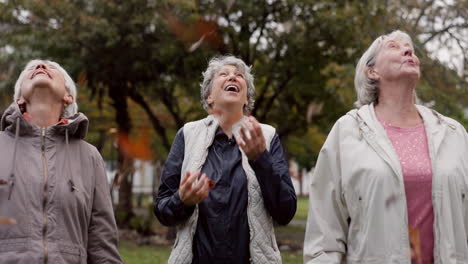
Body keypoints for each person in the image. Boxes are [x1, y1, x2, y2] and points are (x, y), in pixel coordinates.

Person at [304, 30, 468, 263]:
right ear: (372, 72)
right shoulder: (348, 131)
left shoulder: (454, 133)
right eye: (393, 46)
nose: (408, 50)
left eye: (410, 47)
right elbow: (324, 231)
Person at [154, 55, 297, 264]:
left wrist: (261, 160)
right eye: (224, 75)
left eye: (239, 76)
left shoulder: (266, 136)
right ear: (209, 96)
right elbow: (163, 211)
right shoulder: (187, 134)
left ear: (246, 98)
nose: (233, 78)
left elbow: (285, 212)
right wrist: (182, 201)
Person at [0, 59, 122, 263]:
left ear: (68, 96)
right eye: (31, 69)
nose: (40, 67)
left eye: (52, 68)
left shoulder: (90, 157)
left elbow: (102, 240)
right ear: (20, 98)